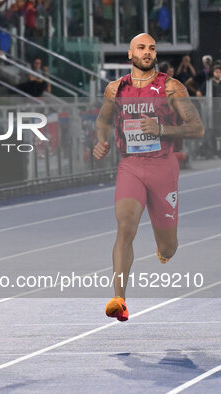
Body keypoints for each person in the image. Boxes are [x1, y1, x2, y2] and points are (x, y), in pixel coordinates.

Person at [93, 33, 204, 322]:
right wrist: (101, 141)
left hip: (163, 168)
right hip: (131, 166)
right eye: (141, 48)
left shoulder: (171, 86)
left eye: (151, 48)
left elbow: (197, 128)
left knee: (169, 245)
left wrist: (163, 130)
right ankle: (119, 299)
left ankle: (164, 249)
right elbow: (103, 121)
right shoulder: (115, 89)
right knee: (125, 226)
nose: (147, 52)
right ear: (130, 54)